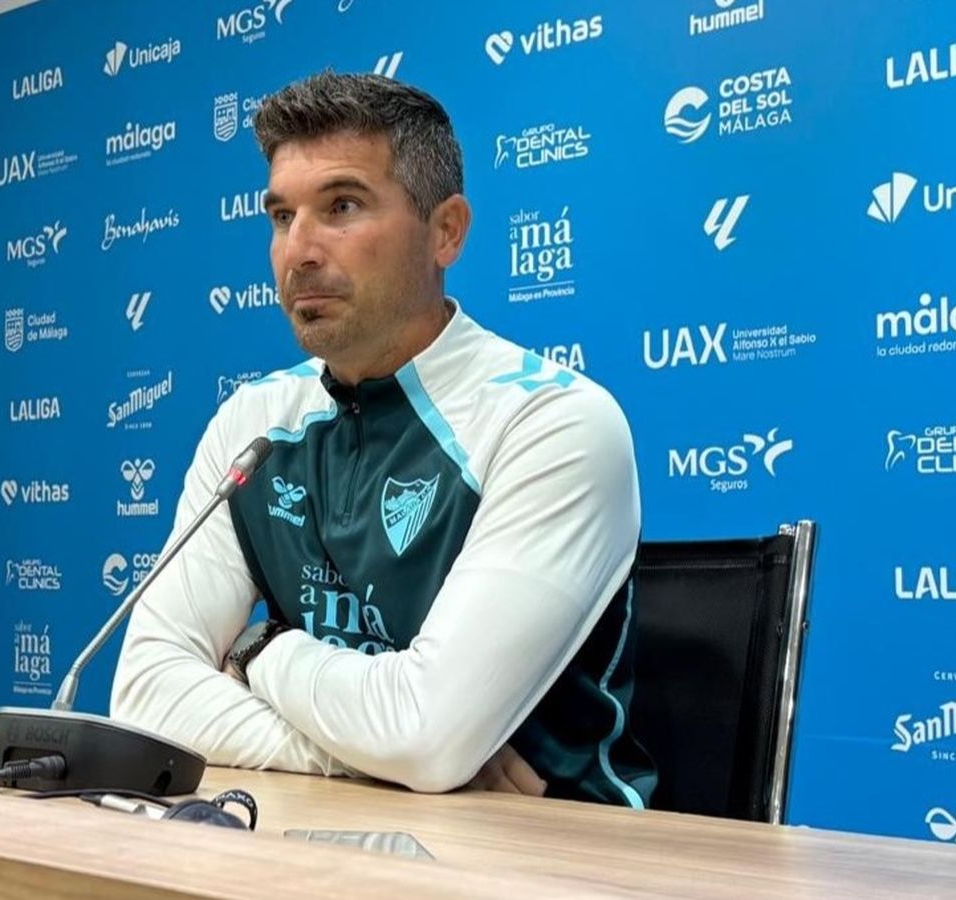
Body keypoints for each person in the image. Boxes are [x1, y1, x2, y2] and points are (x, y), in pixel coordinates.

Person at [110, 72, 656, 806]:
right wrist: (375, 755)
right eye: (280, 216)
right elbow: (145, 696)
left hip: (554, 857)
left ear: (446, 231)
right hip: (327, 841)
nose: (297, 250)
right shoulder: (252, 423)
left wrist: (256, 649)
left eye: (341, 206)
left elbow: (425, 736)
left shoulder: (553, 422)